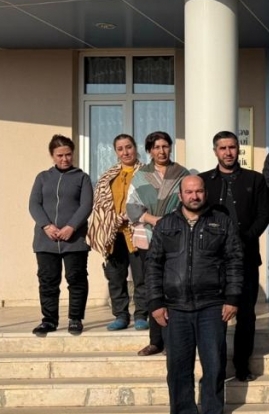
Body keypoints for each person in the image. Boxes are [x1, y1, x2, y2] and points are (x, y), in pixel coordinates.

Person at [145, 176, 243, 414]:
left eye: (199, 191)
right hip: (175, 308)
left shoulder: (221, 222)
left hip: (212, 306)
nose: (194, 196)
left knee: (214, 366)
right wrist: (155, 303)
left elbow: (235, 261)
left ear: (205, 193)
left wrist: (232, 297)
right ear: (180, 195)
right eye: (189, 192)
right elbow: (153, 265)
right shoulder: (166, 225)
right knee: (178, 369)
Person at [201, 131, 269, 382]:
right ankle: (215, 368)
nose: (228, 152)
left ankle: (242, 365)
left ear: (238, 149)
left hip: (246, 257)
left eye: (232, 147)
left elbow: (263, 215)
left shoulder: (255, 179)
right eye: (223, 148)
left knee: (246, 314)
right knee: (214, 316)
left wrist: (244, 239)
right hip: (213, 261)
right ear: (215, 151)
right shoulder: (204, 181)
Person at [127, 131, 191, 356]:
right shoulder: (141, 175)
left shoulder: (182, 173)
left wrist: (170, 221)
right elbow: (131, 205)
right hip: (148, 237)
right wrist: (154, 219)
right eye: (156, 147)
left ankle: (174, 339)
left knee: (174, 286)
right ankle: (156, 341)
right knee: (152, 286)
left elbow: (189, 202)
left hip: (176, 237)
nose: (161, 151)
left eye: (165, 146)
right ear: (149, 151)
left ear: (170, 147)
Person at [29, 135, 93, 337]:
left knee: (76, 279)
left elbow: (86, 205)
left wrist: (71, 227)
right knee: (48, 281)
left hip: (74, 240)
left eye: (68, 154)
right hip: (46, 240)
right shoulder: (42, 177)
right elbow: (34, 204)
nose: (65, 159)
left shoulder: (82, 178)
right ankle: (49, 320)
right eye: (60, 155)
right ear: (52, 155)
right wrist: (46, 226)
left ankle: (75, 319)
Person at [86, 134, 146, 331]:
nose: (125, 152)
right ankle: (121, 315)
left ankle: (141, 314)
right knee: (115, 276)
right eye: (120, 149)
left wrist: (132, 214)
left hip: (137, 230)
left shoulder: (146, 173)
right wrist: (112, 218)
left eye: (128, 147)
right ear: (116, 152)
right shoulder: (108, 176)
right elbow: (100, 204)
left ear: (135, 148)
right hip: (113, 233)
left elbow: (150, 200)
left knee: (142, 276)